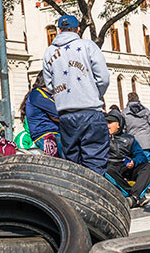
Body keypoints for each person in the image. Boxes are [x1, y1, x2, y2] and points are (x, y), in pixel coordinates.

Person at [42, 15, 110, 175]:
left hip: (66, 115)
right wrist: (95, 94)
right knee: (95, 161)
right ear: (78, 29)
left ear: (59, 30)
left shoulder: (49, 52)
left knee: (73, 165)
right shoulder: (88, 46)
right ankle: (94, 196)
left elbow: (50, 85)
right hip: (90, 112)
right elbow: (103, 78)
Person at [104, 112, 150, 208]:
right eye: (105, 122)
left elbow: (141, 156)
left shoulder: (129, 139)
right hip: (110, 168)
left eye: (110, 122)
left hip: (126, 167)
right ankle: (135, 196)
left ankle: (135, 196)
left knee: (148, 167)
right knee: (106, 169)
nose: (107, 125)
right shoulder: (100, 139)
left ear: (118, 124)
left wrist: (134, 162)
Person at [21, 73, 60, 157]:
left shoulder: (44, 95)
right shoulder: (38, 94)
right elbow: (57, 113)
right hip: (48, 135)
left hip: (53, 133)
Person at [123, 93, 150, 162]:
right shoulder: (146, 111)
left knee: (135, 164)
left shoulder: (125, 112)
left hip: (132, 142)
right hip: (146, 142)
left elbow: (123, 129)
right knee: (146, 165)